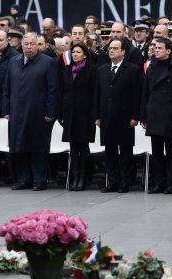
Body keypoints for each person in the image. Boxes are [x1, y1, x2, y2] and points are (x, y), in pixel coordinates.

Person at [3, 33, 57, 191]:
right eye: (26, 44)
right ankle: (23, 179)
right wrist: (6, 110)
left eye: (32, 44)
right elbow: (7, 88)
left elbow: (53, 90)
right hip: (16, 113)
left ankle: (40, 180)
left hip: (38, 113)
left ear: (38, 45)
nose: (29, 47)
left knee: (38, 147)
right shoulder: (14, 61)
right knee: (20, 147)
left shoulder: (47, 62)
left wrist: (50, 112)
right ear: (21, 45)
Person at [94, 39, 142, 193]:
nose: (112, 51)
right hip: (106, 116)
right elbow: (97, 94)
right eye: (110, 48)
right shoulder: (102, 69)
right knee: (109, 151)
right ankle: (113, 181)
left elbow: (137, 95)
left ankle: (125, 182)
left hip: (125, 117)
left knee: (126, 151)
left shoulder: (132, 70)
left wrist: (136, 116)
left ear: (123, 52)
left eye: (115, 48)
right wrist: (97, 116)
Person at [141, 37, 172, 194]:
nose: (156, 50)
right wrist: (143, 116)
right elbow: (145, 94)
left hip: (170, 114)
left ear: (168, 50)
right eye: (155, 47)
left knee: (171, 151)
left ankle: (171, 183)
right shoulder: (151, 68)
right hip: (154, 112)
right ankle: (159, 182)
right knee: (157, 150)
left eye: (159, 48)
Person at [57, 43, 97, 191]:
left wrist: (94, 114)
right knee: (73, 148)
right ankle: (74, 176)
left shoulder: (92, 70)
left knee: (83, 147)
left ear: (85, 54)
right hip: (69, 114)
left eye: (78, 52)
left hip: (85, 115)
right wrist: (61, 113)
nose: (74, 54)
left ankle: (83, 178)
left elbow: (94, 94)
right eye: (73, 52)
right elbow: (62, 93)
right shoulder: (67, 70)